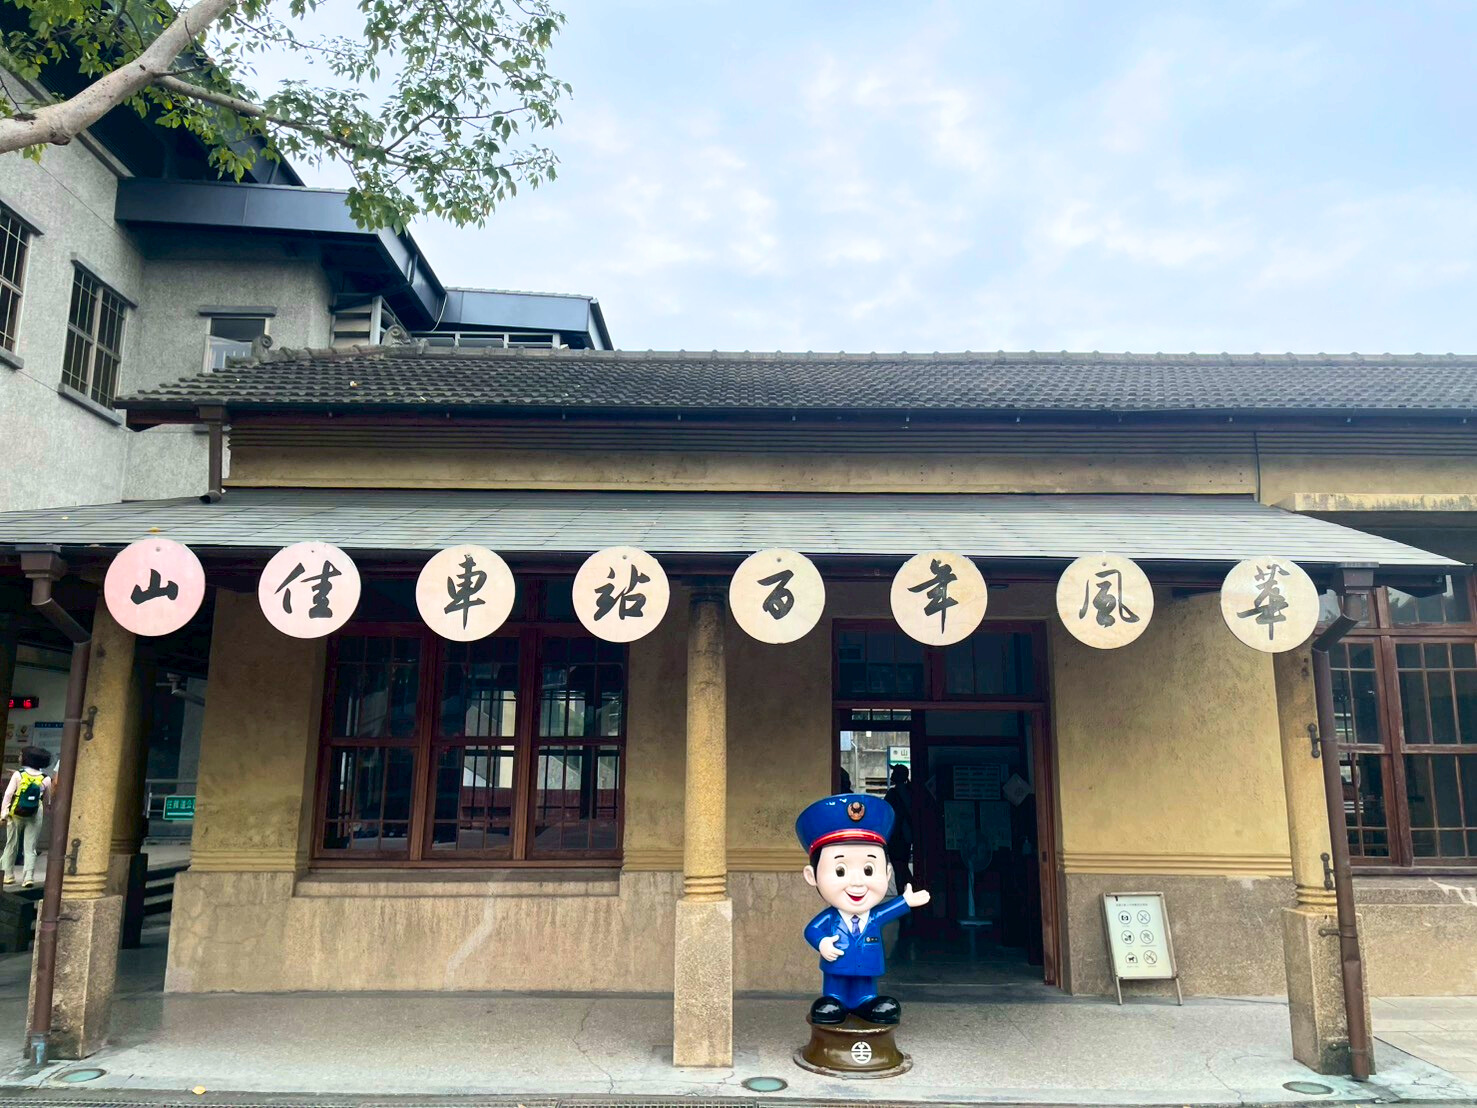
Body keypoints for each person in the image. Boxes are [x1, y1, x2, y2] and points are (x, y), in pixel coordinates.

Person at [796, 792, 931, 1027]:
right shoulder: (831, 918)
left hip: (866, 970)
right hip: (836, 971)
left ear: (887, 873)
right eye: (840, 871)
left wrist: (906, 901)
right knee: (831, 999)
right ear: (812, 876)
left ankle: (865, 1002)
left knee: (870, 995)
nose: (857, 882)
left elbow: (888, 911)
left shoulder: (873, 916)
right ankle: (834, 1001)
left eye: (869, 870)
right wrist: (822, 943)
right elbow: (812, 930)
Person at [2, 746, 53, 887]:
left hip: (16, 812)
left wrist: (3, 814)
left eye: (21, 755)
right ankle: (28, 877)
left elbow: (8, 795)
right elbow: (47, 799)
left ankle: (8, 875)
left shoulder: (18, 775)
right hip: (35, 812)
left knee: (11, 845)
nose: (19, 757)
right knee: (30, 847)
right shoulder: (46, 778)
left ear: (27, 758)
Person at [883, 764, 913, 894]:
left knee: (899, 867)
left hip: (896, 835)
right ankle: (910, 889)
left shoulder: (893, 794)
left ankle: (903, 892)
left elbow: (886, 812)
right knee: (903, 865)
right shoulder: (910, 791)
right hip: (906, 834)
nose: (892, 775)